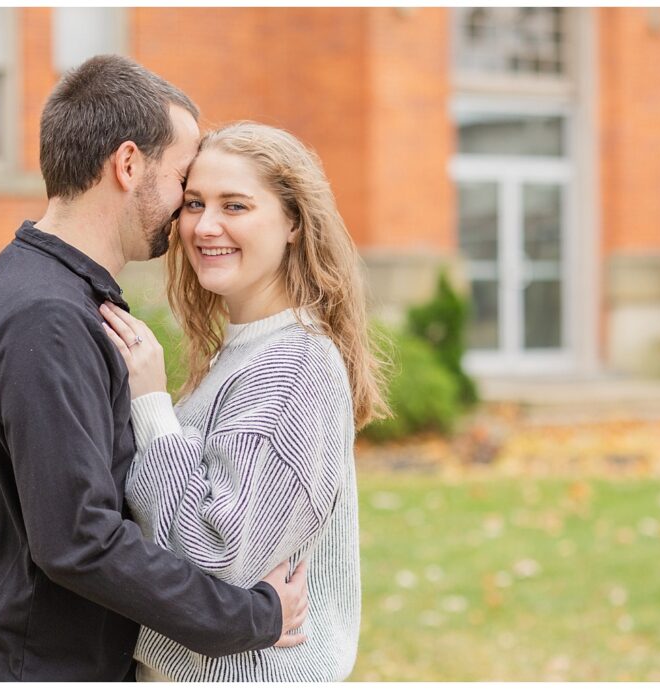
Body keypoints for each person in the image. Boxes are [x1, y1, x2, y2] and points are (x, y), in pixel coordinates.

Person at [0, 57, 310, 682]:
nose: (188, 209)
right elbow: (79, 539)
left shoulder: (55, 289)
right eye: (183, 179)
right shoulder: (46, 315)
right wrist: (247, 617)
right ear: (128, 165)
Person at [100, 122, 390, 681]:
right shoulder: (248, 352)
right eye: (193, 204)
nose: (206, 226)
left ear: (293, 225)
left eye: (235, 206)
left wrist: (153, 408)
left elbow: (218, 558)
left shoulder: (290, 366)